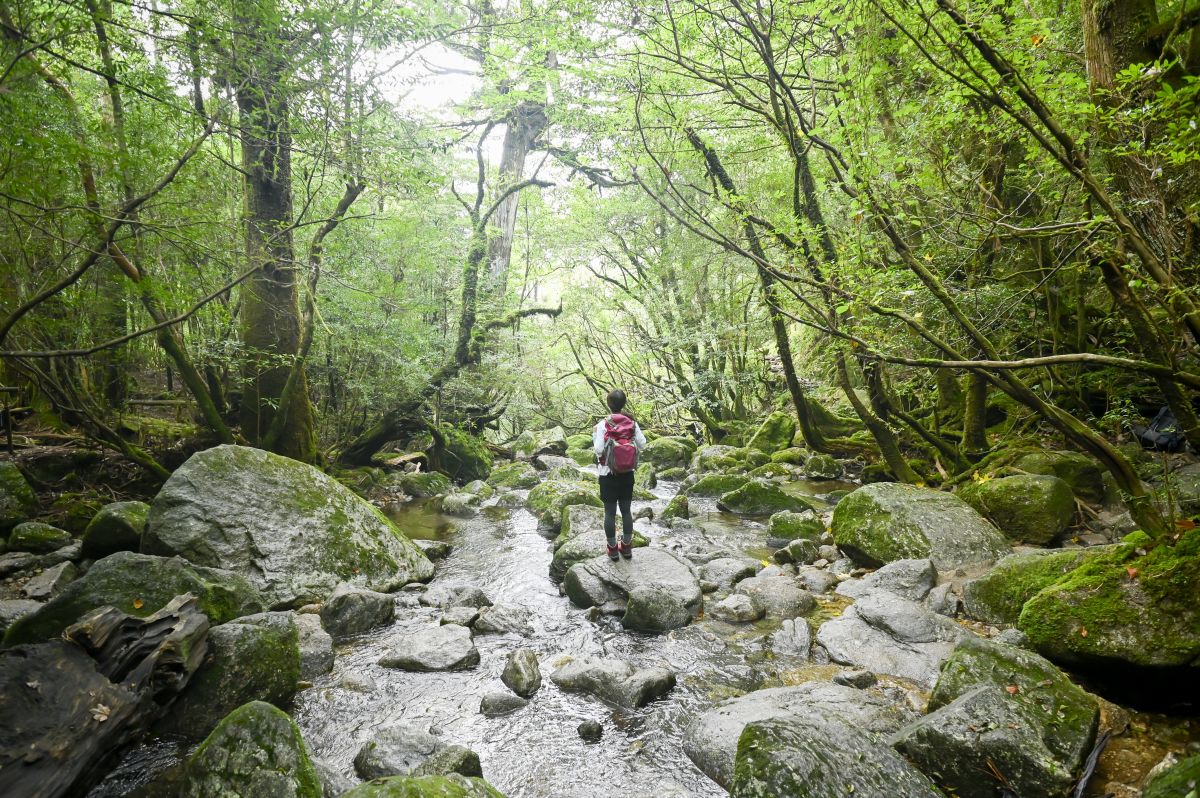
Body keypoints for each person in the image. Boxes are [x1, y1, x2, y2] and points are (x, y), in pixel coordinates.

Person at [593, 389, 647, 561]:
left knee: (609, 513)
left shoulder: (603, 424)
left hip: (607, 474)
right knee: (626, 511)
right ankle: (627, 547)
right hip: (627, 473)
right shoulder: (632, 423)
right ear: (624, 403)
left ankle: (612, 549)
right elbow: (642, 444)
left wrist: (596, 436)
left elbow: (599, 449)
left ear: (608, 404)